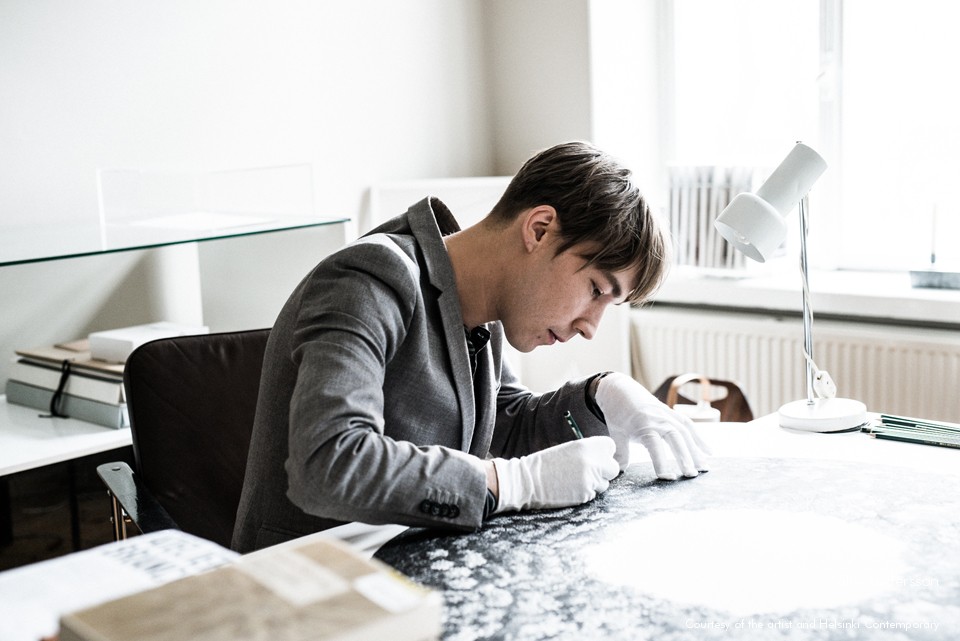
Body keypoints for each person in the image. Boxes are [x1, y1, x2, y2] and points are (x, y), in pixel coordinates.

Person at [231, 141, 709, 553]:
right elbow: (329, 463)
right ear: (539, 229)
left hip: (407, 569)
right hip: (309, 590)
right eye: (596, 290)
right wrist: (510, 483)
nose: (591, 327)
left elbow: (505, 424)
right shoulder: (367, 279)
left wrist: (600, 396)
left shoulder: (483, 312)